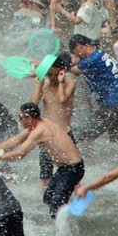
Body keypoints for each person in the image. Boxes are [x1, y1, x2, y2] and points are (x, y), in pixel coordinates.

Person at [0, 103, 85, 218]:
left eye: (20, 118)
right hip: (65, 168)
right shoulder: (39, 123)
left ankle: (67, 232)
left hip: (73, 169)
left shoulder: (39, 131)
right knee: (48, 198)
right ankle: (68, 214)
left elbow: (20, 154)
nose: (19, 121)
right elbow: (16, 140)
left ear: (29, 118)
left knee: (56, 207)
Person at [68, 34, 118, 136]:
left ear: (80, 46)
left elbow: (75, 70)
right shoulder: (98, 53)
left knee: (91, 133)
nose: (77, 56)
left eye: (76, 54)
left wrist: (61, 65)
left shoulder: (90, 60)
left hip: (114, 102)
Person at [30, 55, 76, 188]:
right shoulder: (45, 85)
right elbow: (33, 105)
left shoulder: (70, 82)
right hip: (47, 136)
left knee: (72, 170)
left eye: (55, 74)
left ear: (62, 72)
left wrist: (61, 82)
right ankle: (42, 200)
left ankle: (74, 199)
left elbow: (63, 100)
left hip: (64, 133)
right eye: (49, 74)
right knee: (45, 174)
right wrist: (38, 86)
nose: (52, 78)